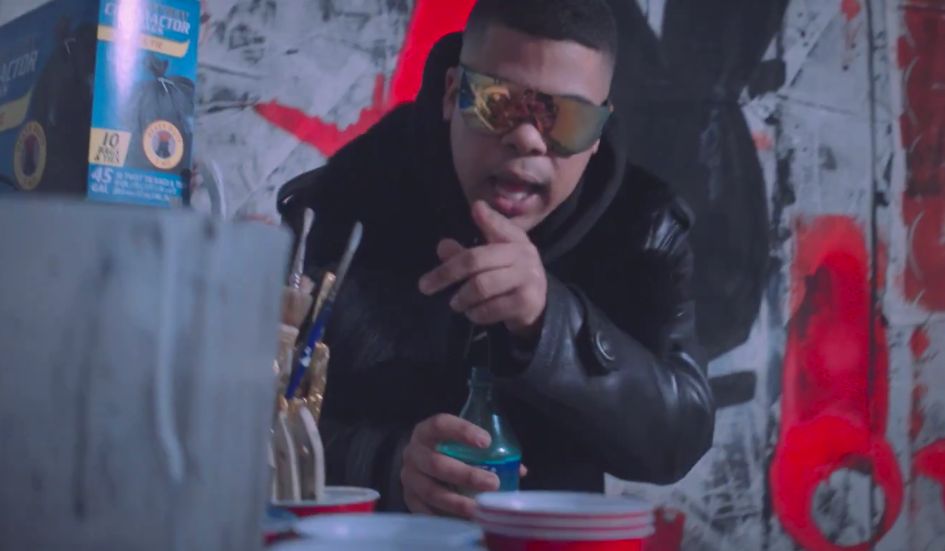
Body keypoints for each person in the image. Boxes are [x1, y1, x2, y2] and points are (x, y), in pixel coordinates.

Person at [277, 0, 715, 519]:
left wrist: (551, 323)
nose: (527, 139)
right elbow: (252, 423)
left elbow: (680, 438)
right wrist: (387, 465)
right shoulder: (344, 206)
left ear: (598, 133)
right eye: (497, 102)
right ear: (451, 94)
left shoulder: (643, 231)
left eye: (567, 118)